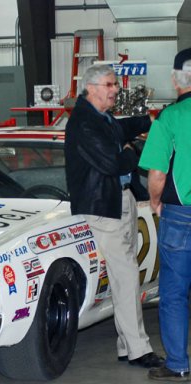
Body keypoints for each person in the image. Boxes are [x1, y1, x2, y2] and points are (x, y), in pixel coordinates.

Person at [65, 64, 163, 368]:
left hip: (120, 201)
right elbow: (112, 164)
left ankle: (126, 344)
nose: (116, 90)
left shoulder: (101, 118)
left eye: (115, 85)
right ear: (91, 88)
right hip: (103, 208)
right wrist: (132, 151)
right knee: (126, 278)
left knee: (126, 277)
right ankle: (138, 349)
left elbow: (121, 129)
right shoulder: (84, 123)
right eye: (110, 85)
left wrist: (149, 120)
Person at [139, 47, 191, 382]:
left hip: (181, 216)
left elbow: (157, 174)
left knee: (173, 293)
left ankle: (178, 363)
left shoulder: (170, 118)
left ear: (176, 80)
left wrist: (156, 202)